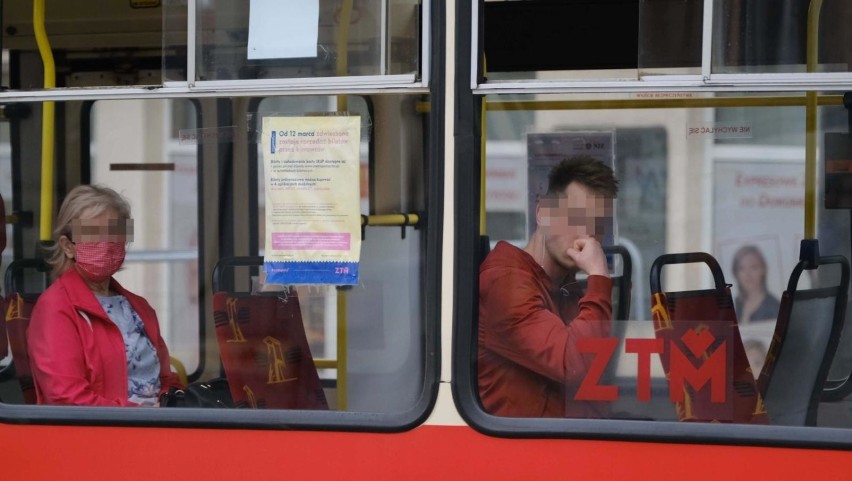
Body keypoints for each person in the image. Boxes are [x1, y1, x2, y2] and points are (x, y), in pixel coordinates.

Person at [478, 155, 618, 418]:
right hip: (522, 451)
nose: (586, 235)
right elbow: (574, 364)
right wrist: (599, 276)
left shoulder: (566, 289)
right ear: (543, 213)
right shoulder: (506, 283)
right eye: (576, 218)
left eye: (597, 225)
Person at [27, 184, 182, 406]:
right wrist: (139, 416)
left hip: (155, 428)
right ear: (68, 246)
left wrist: (172, 405)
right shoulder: (56, 308)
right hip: (101, 433)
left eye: (114, 234)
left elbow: (167, 379)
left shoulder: (138, 307)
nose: (107, 245)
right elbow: (66, 397)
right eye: (93, 234)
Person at [732, 244, 780, 324]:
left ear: (763, 270)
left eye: (754, 267)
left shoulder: (774, 306)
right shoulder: (737, 303)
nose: (747, 274)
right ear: (736, 273)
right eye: (741, 268)